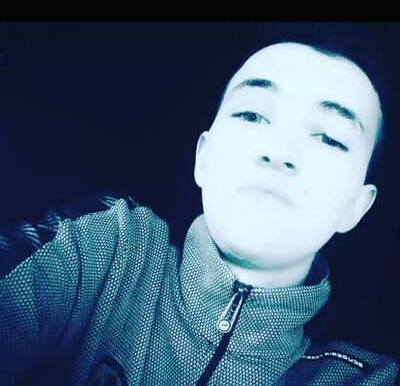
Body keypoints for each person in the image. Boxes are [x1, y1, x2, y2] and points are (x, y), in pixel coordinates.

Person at [0, 25, 399, 385]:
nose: (279, 152)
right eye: (252, 114)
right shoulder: (101, 248)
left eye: (330, 138)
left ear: (357, 207)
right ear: (203, 158)